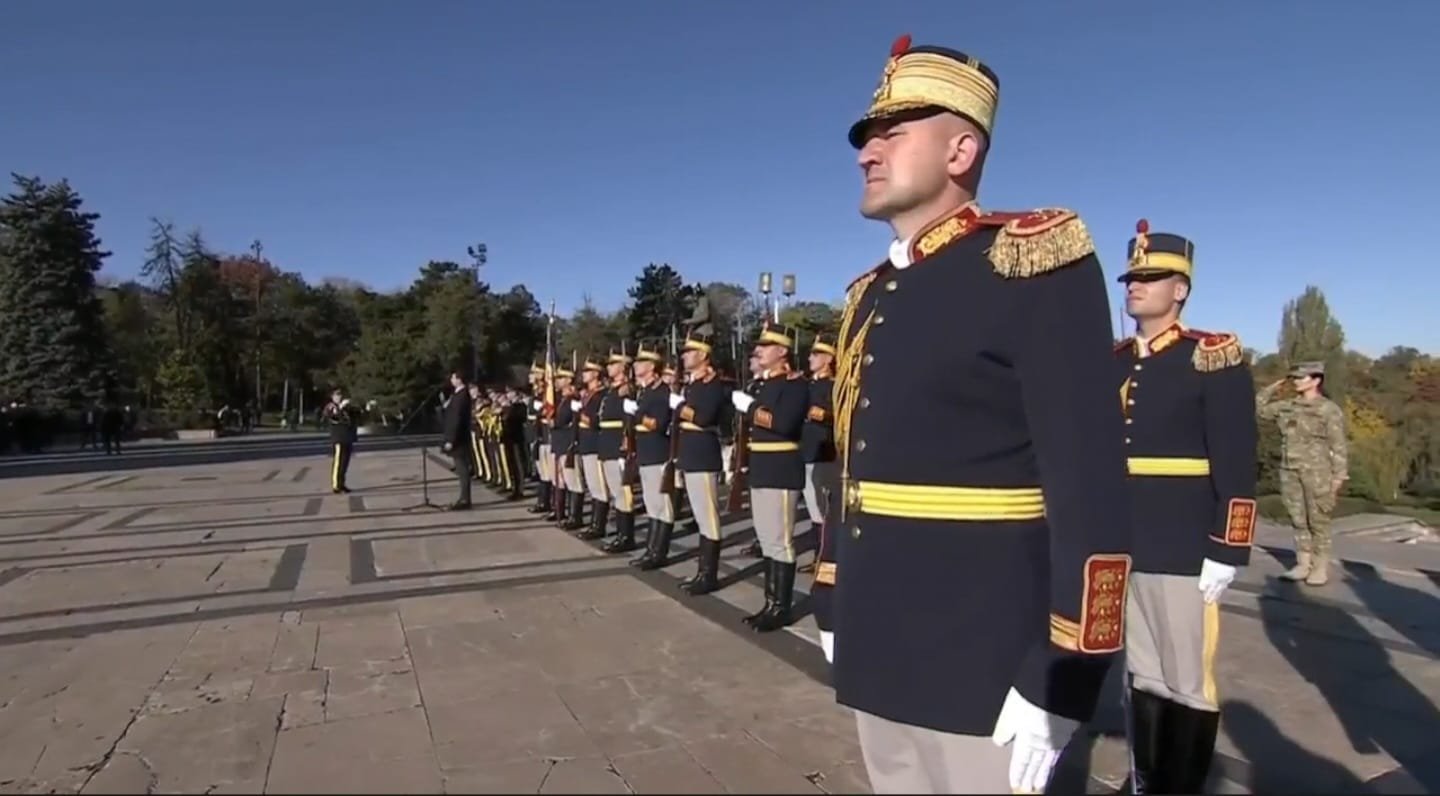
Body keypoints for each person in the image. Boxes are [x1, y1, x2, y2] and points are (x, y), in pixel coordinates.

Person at [829, 34, 1133, 794]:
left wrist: (1065, 669)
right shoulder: (867, 295)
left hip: (987, 653)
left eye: (893, 133)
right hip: (879, 636)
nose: (868, 150)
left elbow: (1090, 485)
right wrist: (832, 586)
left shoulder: (1029, 260)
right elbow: (854, 464)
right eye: (867, 137)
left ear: (961, 149)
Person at [1113, 222, 1258, 793]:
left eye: (1150, 277)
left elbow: (1237, 457)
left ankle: (1181, 785)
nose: (1136, 286)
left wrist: (1229, 544)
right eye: (1131, 277)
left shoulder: (1210, 356)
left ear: (1181, 289)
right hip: (1126, 537)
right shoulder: (1116, 359)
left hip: (1183, 540)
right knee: (1143, 671)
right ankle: (1148, 779)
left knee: (1186, 677)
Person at [731, 321, 809, 632]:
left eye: (765, 347)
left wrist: (750, 409)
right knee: (767, 541)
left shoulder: (795, 385)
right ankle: (770, 603)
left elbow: (784, 423)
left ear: (782, 351)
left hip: (780, 468)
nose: (758, 351)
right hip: (762, 468)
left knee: (779, 542)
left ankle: (781, 607)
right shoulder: (763, 386)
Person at [1257, 361, 1349, 586]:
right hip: (1290, 469)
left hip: (1318, 472)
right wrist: (1273, 388)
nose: (1297, 381)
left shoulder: (1328, 409)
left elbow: (1338, 445)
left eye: (1302, 377)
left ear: (1316, 380)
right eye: (1295, 378)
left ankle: (1320, 567)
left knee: (1318, 520)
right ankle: (1302, 563)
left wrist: (1338, 479)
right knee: (1297, 519)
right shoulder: (1288, 406)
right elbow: (1259, 409)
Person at [675, 329, 729, 595]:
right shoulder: (693, 384)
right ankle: (702, 571)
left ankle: (709, 575)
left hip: (703, 453)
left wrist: (677, 408)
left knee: (708, 518)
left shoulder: (712, 384)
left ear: (703, 355)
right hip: (690, 452)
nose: (684, 356)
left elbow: (704, 417)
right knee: (699, 515)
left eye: (689, 351)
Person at [627, 340, 676, 569]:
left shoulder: (661, 392)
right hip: (646, 452)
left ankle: (659, 552)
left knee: (661, 505)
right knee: (651, 504)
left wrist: (637, 416)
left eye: (642, 362)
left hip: (658, 453)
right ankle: (651, 549)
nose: (637, 365)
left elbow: (657, 424)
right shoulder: (645, 392)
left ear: (653, 366)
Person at [800, 332, 839, 573]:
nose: (810, 358)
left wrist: (816, 413)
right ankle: (818, 556)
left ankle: (828, 560)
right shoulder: (807, 384)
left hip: (824, 451)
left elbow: (836, 415)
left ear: (828, 359)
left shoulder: (833, 386)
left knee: (825, 509)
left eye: (816, 354)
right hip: (806, 451)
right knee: (814, 509)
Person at [597, 347, 639, 552]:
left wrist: (626, 442)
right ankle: (621, 534)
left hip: (617, 444)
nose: (608, 367)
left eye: (613, 364)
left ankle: (626, 536)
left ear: (623, 367)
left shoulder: (626, 389)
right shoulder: (612, 390)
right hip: (606, 443)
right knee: (616, 492)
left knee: (623, 494)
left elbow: (629, 418)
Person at [576, 357, 612, 539]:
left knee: (599, 488)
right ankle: (594, 523)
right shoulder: (587, 394)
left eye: (587, 371)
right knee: (592, 486)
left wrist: (581, 417)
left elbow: (598, 420)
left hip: (595, 444)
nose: (584, 374)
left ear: (596, 374)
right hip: (585, 444)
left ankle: (599, 526)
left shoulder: (601, 394)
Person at [441, 371, 474, 510]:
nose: (451, 380)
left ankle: (465, 499)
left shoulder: (462, 395)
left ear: (459, 379)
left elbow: (457, 419)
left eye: (454, 378)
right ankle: (463, 497)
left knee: (462, 469)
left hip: (459, 439)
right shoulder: (456, 395)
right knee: (460, 469)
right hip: (458, 437)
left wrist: (451, 439)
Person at [323, 387, 363, 494]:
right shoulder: (331, 407)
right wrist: (340, 407)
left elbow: (356, 416)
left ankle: (342, 483)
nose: (339, 397)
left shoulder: (347, 407)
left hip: (348, 437)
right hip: (339, 438)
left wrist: (359, 407)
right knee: (338, 462)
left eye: (340, 395)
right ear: (332, 397)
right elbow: (332, 417)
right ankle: (336, 485)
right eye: (337, 395)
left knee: (345, 462)